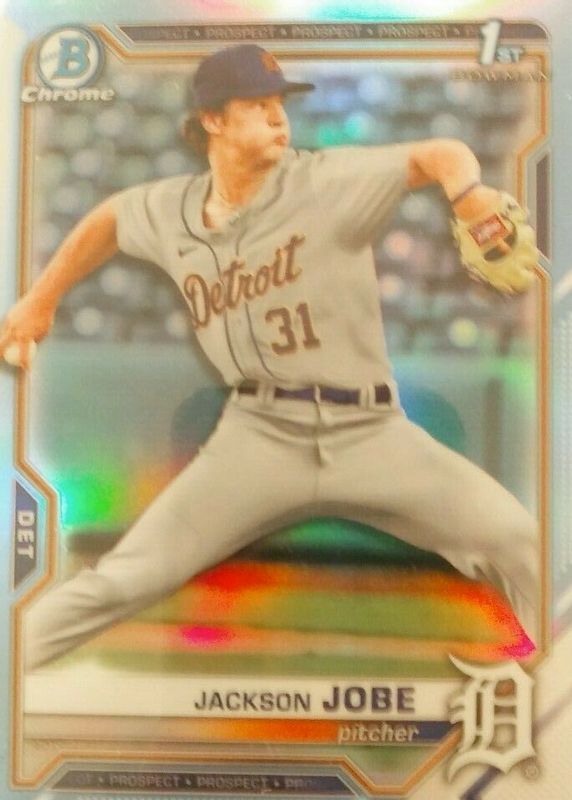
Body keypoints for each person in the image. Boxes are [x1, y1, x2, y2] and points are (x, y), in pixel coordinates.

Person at [0, 44, 538, 670]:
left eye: (280, 103)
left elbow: (438, 153)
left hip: (370, 433)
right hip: (257, 438)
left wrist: (468, 194)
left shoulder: (329, 181)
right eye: (257, 105)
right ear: (213, 120)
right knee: (122, 579)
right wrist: (41, 299)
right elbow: (111, 219)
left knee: (516, 539)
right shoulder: (170, 208)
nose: (279, 117)